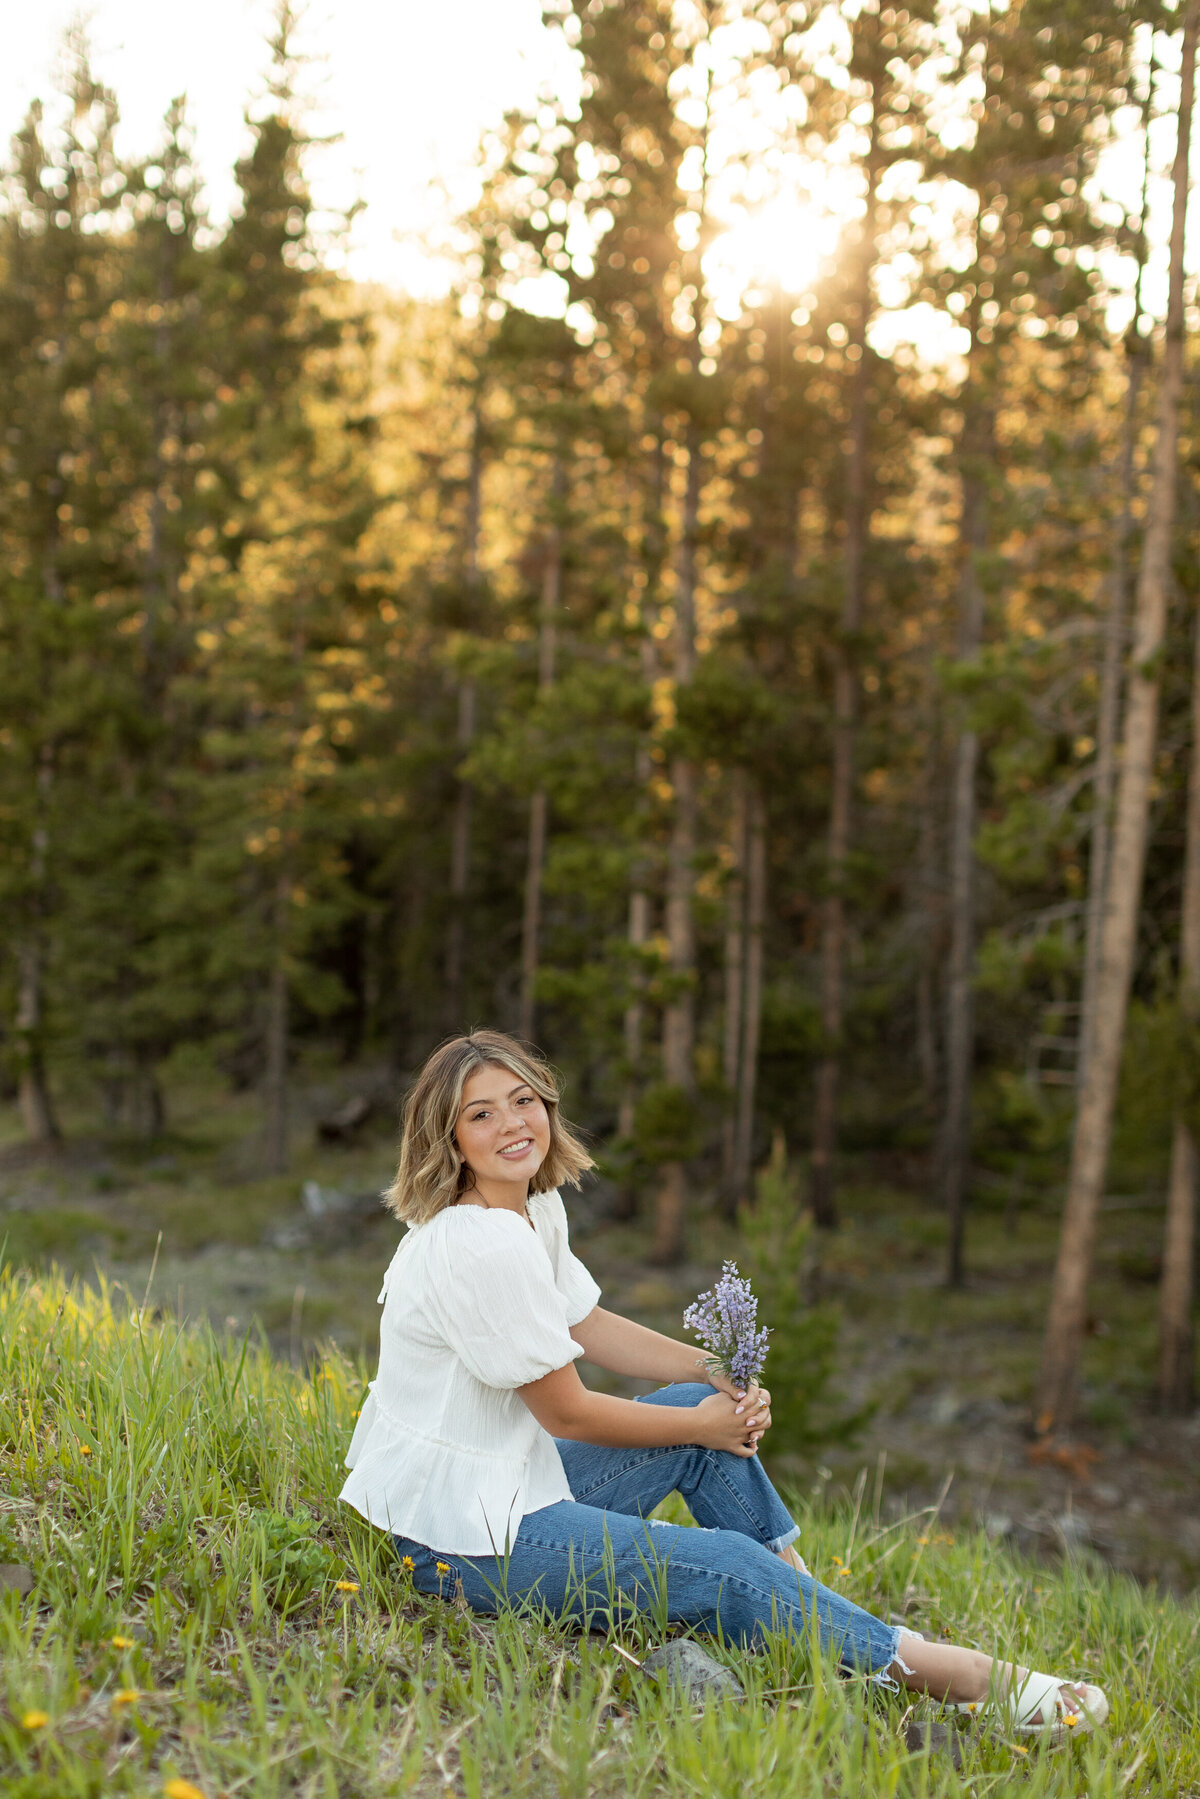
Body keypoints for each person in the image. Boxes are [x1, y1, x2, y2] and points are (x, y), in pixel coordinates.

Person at [341, 1030, 1108, 1745]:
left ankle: (815, 1619)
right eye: (482, 1112)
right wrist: (703, 1426)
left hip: (508, 1490)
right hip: (456, 1542)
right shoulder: (477, 1244)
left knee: (690, 1420)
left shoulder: (527, 1210)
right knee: (722, 1553)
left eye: (523, 1099)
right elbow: (567, 1408)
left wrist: (706, 1373)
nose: (513, 1122)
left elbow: (586, 1320)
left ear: (547, 1103)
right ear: (449, 1137)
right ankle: (960, 1675)